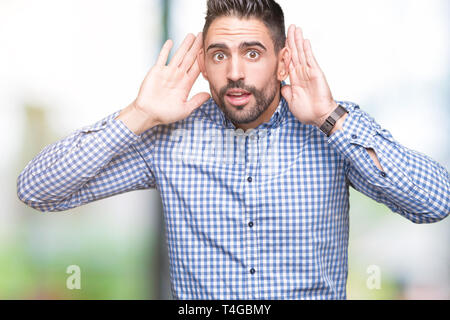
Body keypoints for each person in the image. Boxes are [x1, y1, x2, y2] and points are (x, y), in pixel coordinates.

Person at [17, 0, 449, 300]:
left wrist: (328, 116)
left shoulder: (332, 125)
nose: (236, 72)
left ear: (282, 62)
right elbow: (38, 190)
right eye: (219, 54)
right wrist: (139, 112)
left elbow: (435, 201)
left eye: (252, 52)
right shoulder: (168, 136)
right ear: (202, 65)